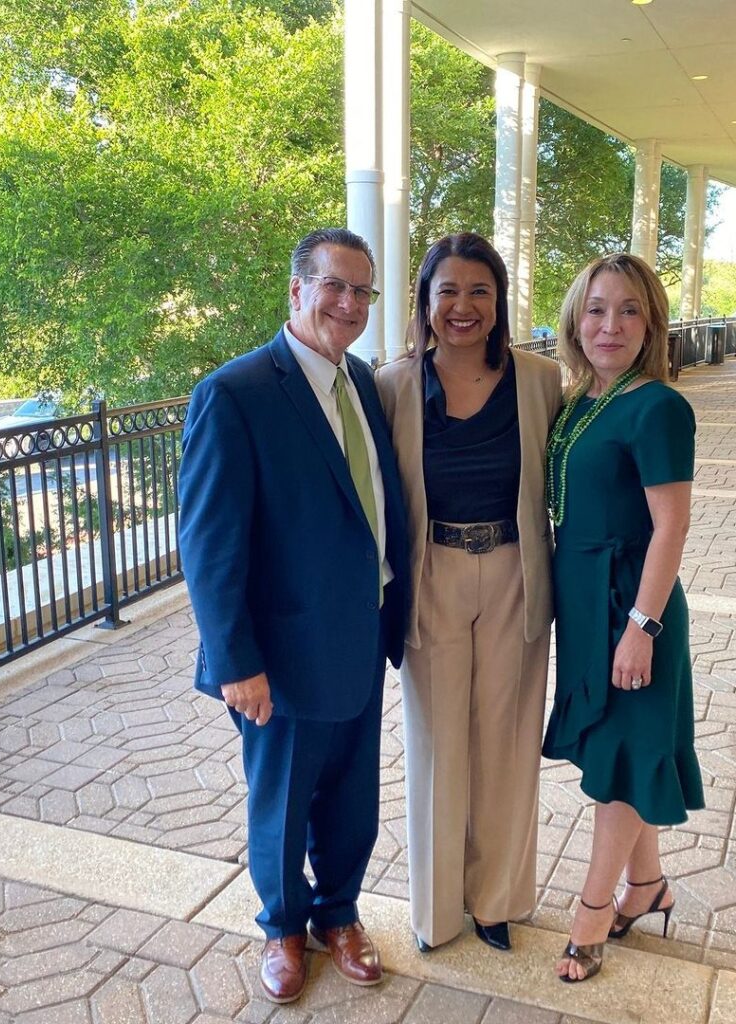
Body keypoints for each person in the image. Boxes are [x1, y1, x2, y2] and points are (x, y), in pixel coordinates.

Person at [178, 228, 409, 1004]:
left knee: (352, 795)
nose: (348, 304)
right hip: (278, 656)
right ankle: (283, 928)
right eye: (334, 286)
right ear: (297, 291)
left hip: (362, 636)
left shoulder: (364, 385)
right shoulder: (236, 393)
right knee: (280, 801)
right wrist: (236, 661)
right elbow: (209, 546)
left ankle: (338, 916)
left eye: (362, 292)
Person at [376, 232, 561, 953]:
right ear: (424, 302)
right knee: (436, 743)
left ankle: (496, 902)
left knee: (506, 742)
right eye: (447, 290)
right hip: (433, 576)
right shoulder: (391, 385)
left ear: (499, 303)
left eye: (479, 291)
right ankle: (436, 911)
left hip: (517, 572)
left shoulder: (540, 379)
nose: (463, 306)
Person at [541, 252, 703, 983]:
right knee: (619, 754)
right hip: (585, 607)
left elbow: (671, 527)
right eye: (597, 308)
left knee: (617, 767)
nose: (610, 324)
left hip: (633, 610)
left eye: (629, 309)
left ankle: (591, 915)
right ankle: (649, 887)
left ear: (652, 323)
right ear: (576, 318)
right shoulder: (580, 400)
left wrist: (642, 625)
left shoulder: (658, 406)